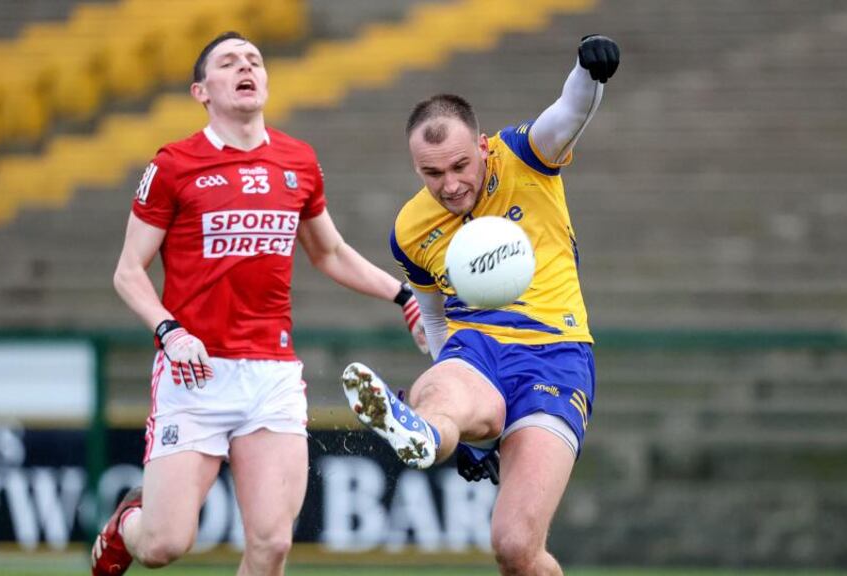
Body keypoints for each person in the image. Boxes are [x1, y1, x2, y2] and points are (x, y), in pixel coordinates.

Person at [90, 31, 426, 576]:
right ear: (202, 90)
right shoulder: (174, 164)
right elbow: (128, 272)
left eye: (254, 60)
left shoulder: (297, 160)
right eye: (228, 62)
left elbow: (330, 251)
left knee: (271, 545)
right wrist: (170, 332)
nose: (245, 66)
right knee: (164, 545)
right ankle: (127, 522)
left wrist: (403, 294)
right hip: (195, 375)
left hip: (270, 376)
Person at [341, 35, 620, 575]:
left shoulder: (525, 156)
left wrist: (591, 69)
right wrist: (445, 374)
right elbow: (434, 317)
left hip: (555, 356)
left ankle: (434, 425)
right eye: (432, 173)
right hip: (477, 349)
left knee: (516, 547)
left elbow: (567, 114)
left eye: (460, 166)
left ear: (483, 147)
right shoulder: (409, 229)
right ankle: (425, 429)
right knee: (447, 392)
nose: (449, 185)